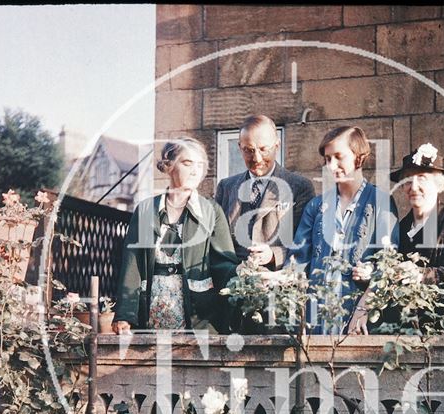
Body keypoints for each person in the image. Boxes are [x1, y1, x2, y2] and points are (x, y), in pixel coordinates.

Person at [112, 138, 239, 334]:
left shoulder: (211, 211)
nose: (195, 171)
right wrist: (124, 314)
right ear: (169, 165)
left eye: (200, 165)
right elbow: (132, 265)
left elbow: (224, 263)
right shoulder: (146, 210)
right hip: (151, 314)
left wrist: (244, 276)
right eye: (187, 163)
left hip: (199, 319)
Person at [348, 142, 444, 334]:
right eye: (408, 181)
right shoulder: (400, 228)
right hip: (406, 331)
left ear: (438, 184)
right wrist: (371, 275)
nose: (413, 187)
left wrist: (420, 275)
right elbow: (390, 275)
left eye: (422, 179)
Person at [286, 125, 398, 334]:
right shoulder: (316, 206)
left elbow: (389, 265)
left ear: (359, 157)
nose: (331, 166)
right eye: (328, 159)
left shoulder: (380, 202)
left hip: (359, 323)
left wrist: (363, 309)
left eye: (339, 157)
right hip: (317, 323)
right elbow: (297, 262)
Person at [214, 115, 315, 269]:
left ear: (277, 145)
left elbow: (304, 242)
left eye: (263, 149)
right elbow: (217, 245)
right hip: (233, 283)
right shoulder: (226, 187)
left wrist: (273, 255)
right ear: (239, 147)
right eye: (249, 150)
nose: (257, 158)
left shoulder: (299, 187)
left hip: (277, 285)